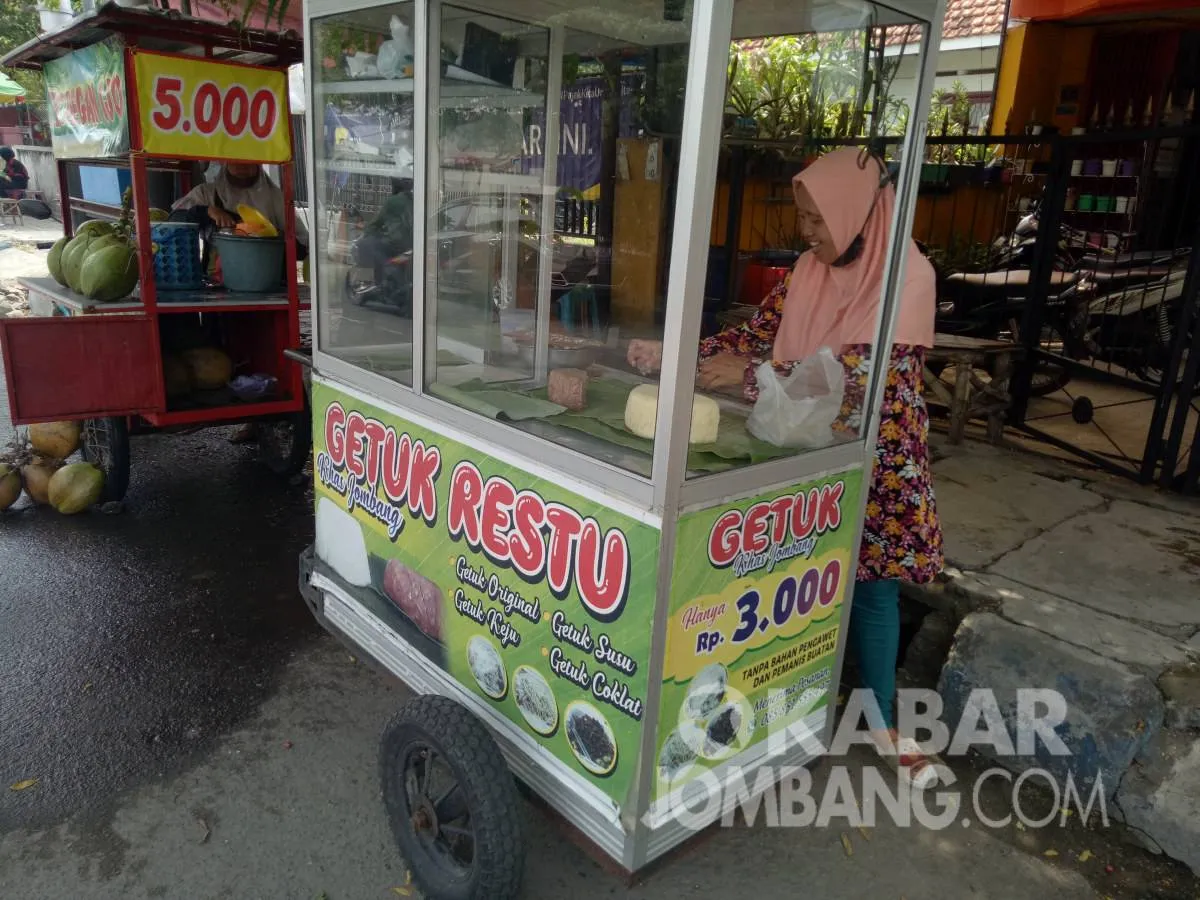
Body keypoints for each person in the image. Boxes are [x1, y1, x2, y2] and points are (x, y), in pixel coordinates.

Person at [628, 147, 944, 788]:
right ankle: (786, 705)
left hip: (876, 460)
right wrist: (678, 354)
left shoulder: (908, 279)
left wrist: (748, 377)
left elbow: (861, 380)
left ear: (856, 213)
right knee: (797, 575)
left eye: (817, 218)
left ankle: (880, 721)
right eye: (802, 217)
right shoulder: (806, 271)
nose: (806, 231)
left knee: (873, 589)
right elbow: (753, 333)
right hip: (801, 450)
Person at [171, 162, 308, 258]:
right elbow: (173, 223)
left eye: (248, 161)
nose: (242, 166)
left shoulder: (276, 197)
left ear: (258, 163)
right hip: (216, 283)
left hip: (267, 281)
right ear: (226, 162)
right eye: (236, 161)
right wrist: (206, 211)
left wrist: (270, 237)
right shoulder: (206, 193)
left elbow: (302, 247)